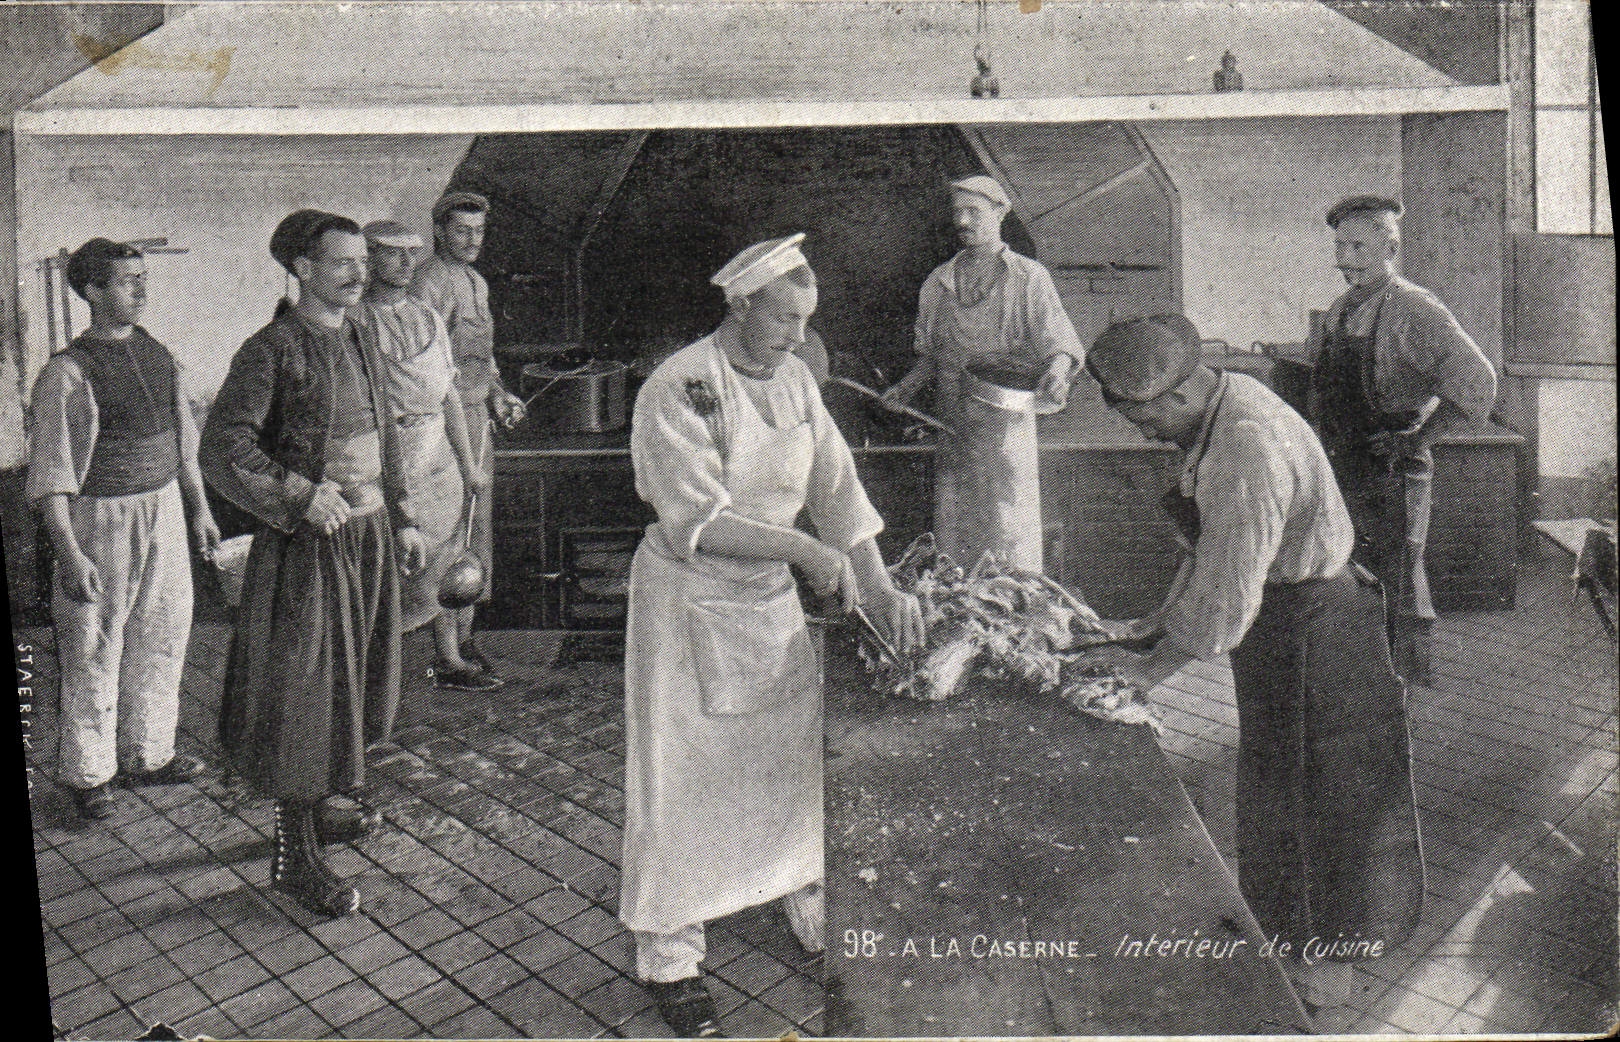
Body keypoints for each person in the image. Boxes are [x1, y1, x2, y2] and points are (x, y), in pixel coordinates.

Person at [621, 234, 924, 1037]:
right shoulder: (679, 385)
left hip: (765, 602)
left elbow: (837, 489)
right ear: (739, 304)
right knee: (682, 777)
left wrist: (882, 585)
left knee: (787, 761)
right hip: (688, 604)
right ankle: (670, 952)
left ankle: (802, 893)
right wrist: (804, 551)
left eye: (806, 319)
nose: (799, 336)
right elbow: (697, 520)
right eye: (785, 318)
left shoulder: (794, 379)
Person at [1086, 315, 1425, 1013]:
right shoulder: (1220, 397)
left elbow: (1221, 608)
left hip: (1318, 626)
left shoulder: (1246, 447)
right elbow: (1207, 548)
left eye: (1144, 420)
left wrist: (1147, 675)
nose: (1143, 433)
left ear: (1176, 396)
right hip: (1283, 616)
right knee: (1276, 788)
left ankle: (1328, 972)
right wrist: (1153, 622)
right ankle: (1285, 936)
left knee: (1327, 798)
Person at [201, 210, 426, 917]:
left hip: (369, 538)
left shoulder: (359, 334)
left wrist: (404, 513)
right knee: (303, 694)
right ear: (302, 269)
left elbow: (384, 434)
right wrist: (299, 495)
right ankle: (292, 854)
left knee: (356, 679)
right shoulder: (270, 349)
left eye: (363, 261)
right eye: (342, 263)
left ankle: (324, 805)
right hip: (308, 549)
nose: (360, 274)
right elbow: (223, 449)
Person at [27, 238, 220, 822]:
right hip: (99, 519)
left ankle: (149, 752)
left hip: (162, 508)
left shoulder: (159, 354)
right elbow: (52, 478)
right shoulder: (66, 373)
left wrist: (200, 510)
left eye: (142, 278)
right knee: (94, 643)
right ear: (91, 291)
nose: (141, 289)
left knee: (163, 631)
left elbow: (186, 447)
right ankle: (89, 776)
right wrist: (69, 552)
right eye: (126, 281)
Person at [1307, 194, 1497, 682]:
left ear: (1389, 246)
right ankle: (1358, 681)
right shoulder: (1340, 309)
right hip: (1342, 464)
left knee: (1397, 581)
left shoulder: (1415, 308)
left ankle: (1399, 689)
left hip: (1391, 470)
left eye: (1357, 247)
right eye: (1340, 247)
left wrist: (1417, 440)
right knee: (1345, 572)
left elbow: (1476, 378)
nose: (1343, 260)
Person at [881, 174, 1083, 571]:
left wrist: (1058, 371)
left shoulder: (1028, 277)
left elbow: (1059, 341)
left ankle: (1015, 612)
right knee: (954, 531)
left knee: (1007, 528)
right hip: (952, 424)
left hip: (1006, 428)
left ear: (1000, 212)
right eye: (957, 212)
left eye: (973, 211)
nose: (963, 222)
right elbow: (933, 357)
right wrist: (903, 390)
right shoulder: (937, 284)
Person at [357, 219, 496, 692]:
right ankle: (375, 674)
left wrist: (468, 464)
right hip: (384, 455)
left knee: (446, 557)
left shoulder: (427, 317)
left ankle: (449, 658)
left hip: (437, 454)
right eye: (390, 254)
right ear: (368, 258)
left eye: (410, 254)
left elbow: (449, 396)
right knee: (387, 563)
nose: (404, 264)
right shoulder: (355, 321)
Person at [410, 191, 526, 681]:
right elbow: (424, 363)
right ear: (439, 231)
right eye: (461, 230)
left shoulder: (475, 281)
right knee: (448, 534)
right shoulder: (430, 282)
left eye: (478, 230)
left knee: (475, 532)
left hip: (477, 420)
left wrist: (499, 394)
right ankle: (447, 657)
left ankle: (463, 640)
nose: (472, 240)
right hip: (443, 426)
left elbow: (483, 356)